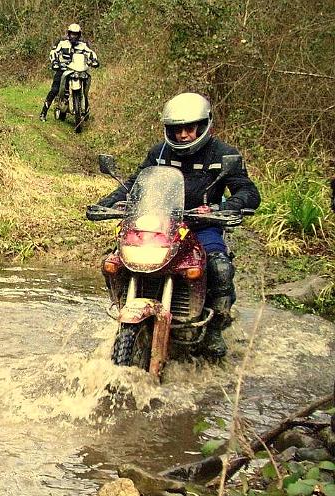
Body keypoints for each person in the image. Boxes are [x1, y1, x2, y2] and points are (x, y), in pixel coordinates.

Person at [97, 92, 261, 360]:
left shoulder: (224, 155)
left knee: (219, 266)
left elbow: (247, 192)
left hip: (202, 225)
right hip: (160, 223)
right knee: (115, 260)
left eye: (189, 128)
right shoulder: (159, 152)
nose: (183, 134)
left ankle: (215, 328)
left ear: (204, 124)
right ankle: (125, 304)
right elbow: (135, 183)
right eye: (176, 129)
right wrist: (108, 202)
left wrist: (221, 208)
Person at [39, 23, 99, 122]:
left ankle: (85, 110)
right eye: (72, 34)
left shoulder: (83, 45)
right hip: (63, 69)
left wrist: (94, 61)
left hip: (79, 70)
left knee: (85, 90)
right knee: (54, 90)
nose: (73, 36)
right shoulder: (62, 43)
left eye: (76, 34)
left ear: (79, 35)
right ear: (68, 33)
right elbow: (54, 52)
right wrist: (54, 62)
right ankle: (43, 112)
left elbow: (91, 53)